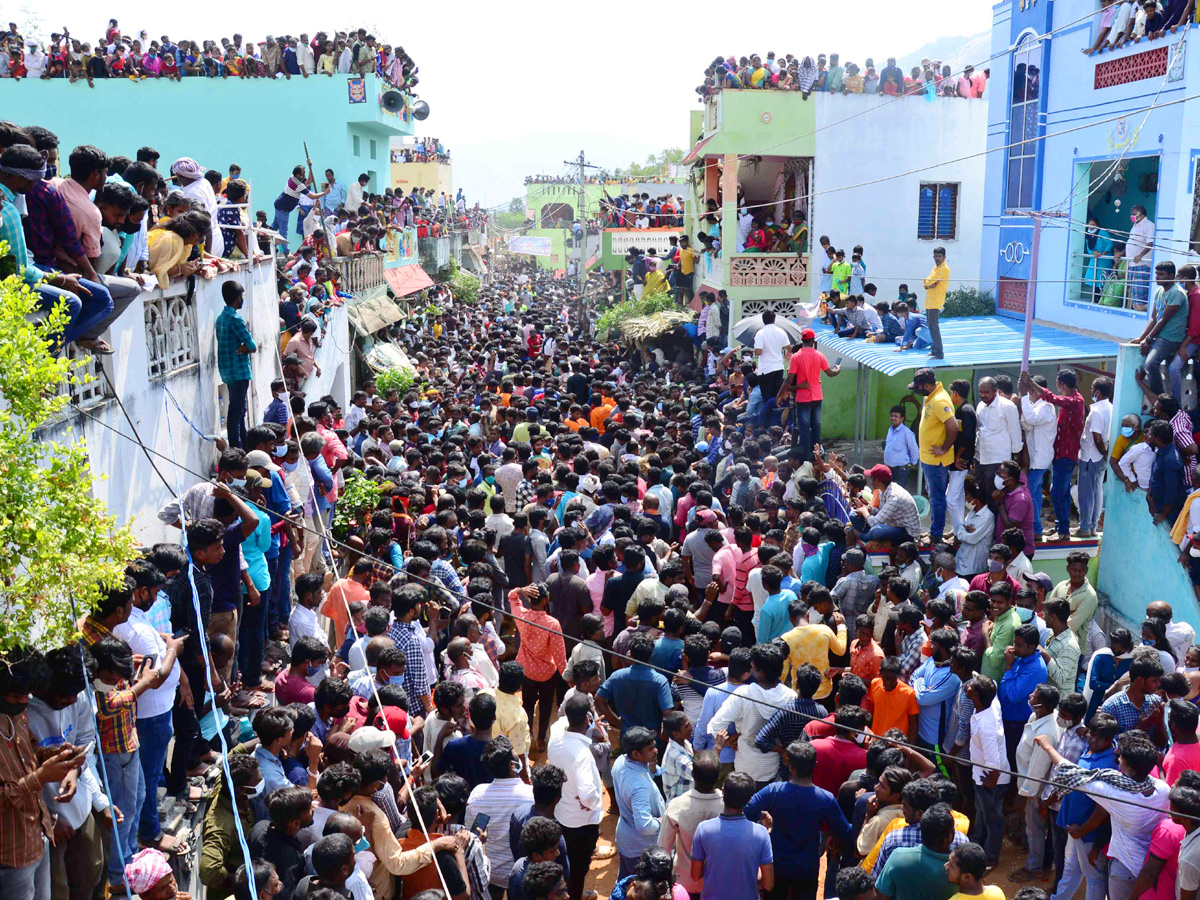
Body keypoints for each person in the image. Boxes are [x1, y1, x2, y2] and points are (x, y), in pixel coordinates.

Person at [744, 739, 849, 900]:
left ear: (790, 766)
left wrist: (762, 817)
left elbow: (747, 810)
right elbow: (844, 830)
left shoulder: (774, 791)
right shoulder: (825, 799)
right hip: (807, 867)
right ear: (815, 765)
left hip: (777, 864)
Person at [690, 772, 774, 900]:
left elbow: (695, 875)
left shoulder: (703, 829)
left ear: (723, 791)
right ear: (749, 799)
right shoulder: (761, 834)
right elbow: (768, 885)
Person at [659, 749, 725, 900]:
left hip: (685, 882)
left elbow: (664, 848)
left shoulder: (677, 806)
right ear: (718, 776)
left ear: (693, 774)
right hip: (718, 881)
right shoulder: (728, 805)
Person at [611, 726, 666, 879]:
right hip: (641, 848)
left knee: (624, 883)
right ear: (636, 753)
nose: (655, 750)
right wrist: (662, 822)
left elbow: (641, 774)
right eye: (650, 749)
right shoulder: (639, 786)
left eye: (654, 746)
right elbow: (644, 825)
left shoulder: (621, 761)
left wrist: (652, 767)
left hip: (626, 839)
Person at [912, 368, 959, 544]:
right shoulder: (932, 396)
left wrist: (944, 448)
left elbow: (953, 426)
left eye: (917, 388)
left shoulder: (939, 400)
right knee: (933, 495)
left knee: (937, 498)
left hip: (936, 461)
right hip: (928, 459)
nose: (916, 391)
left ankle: (936, 534)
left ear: (926, 385)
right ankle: (935, 530)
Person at [922, 248, 950, 359]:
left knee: (934, 328)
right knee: (930, 327)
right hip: (930, 301)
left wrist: (928, 283)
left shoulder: (944, 269)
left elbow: (928, 281)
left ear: (944, 257)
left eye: (939, 256)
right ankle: (934, 350)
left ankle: (939, 353)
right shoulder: (936, 268)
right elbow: (926, 282)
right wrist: (928, 284)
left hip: (936, 301)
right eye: (935, 256)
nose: (937, 258)